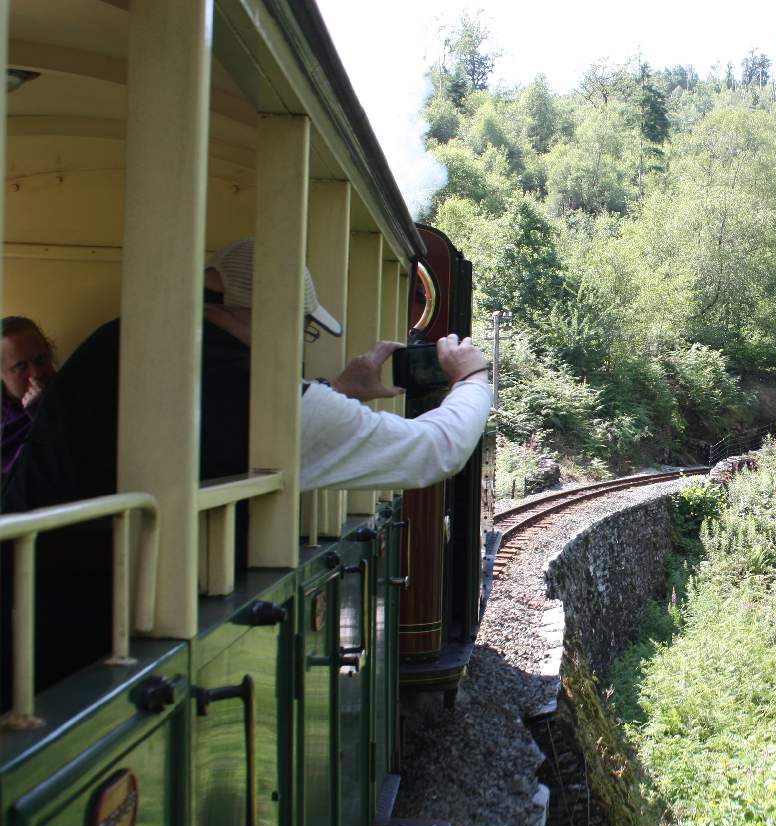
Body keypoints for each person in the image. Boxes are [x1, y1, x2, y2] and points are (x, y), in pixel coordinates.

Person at [1, 237, 492, 692]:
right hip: (93, 639)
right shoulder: (264, 397)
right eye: (301, 327)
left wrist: (335, 391)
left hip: (25, 611)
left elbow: (213, 419)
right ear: (277, 317)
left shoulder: (122, 339)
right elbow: (435, 451)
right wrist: (471, 378)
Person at [0, 316, 58, 477]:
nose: (36, 373)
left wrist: (42, 415)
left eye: (41, 360)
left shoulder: (72, 396)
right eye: (21, 367)